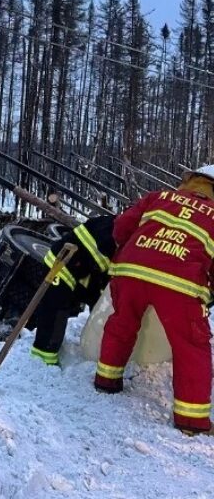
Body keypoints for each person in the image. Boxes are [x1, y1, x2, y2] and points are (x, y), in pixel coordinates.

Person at [94, 165, 214, 435]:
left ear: (191, 181)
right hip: (179, 284)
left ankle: (106, 380)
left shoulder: (159, 197)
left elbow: (122, 226)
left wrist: (132, 251)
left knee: (121, 326)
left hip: (130, 271)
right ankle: (191, 420)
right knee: (191, 345)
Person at [31, 215, 116, 365]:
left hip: (83, 270)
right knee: (55, 311)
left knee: (94, 305)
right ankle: (44, 357)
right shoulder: (117, 233)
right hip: (61, 265)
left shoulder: (113, 223)